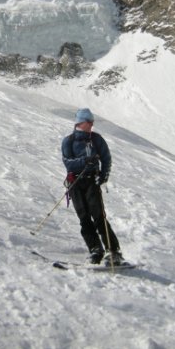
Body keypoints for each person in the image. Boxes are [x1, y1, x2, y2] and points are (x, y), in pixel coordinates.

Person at [61, 108, 123, 266]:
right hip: (75, 183)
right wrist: (84, 161)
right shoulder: (68, 141)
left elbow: (106, 158)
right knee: (84, 217)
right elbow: (68, 162)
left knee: (99, 216)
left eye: (92, 122)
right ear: (80, 123)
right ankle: (95, 249)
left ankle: (114, 251)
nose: (91, 125)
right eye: (89, 122)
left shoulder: (96, 139)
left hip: (91, 182)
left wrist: (103, 176)